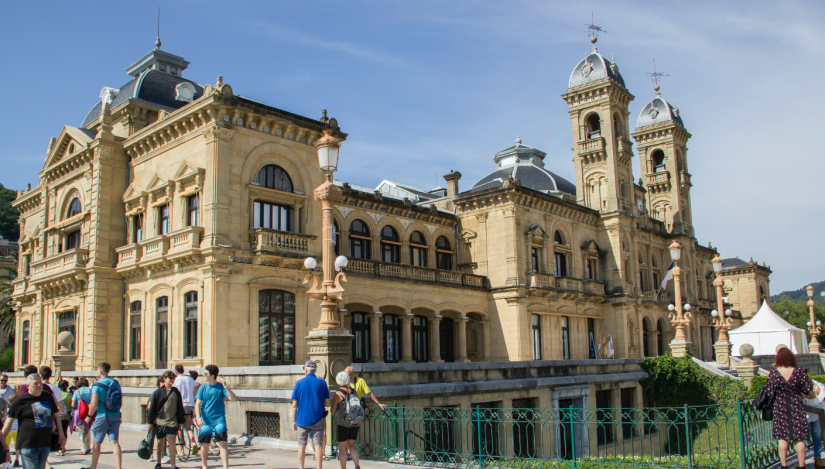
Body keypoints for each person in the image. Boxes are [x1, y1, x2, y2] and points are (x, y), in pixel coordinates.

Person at [766, 347, 819, 468]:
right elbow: (807, 389)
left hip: (780, 408)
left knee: (783, 438)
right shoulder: (798, 372)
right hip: (796, 406)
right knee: (798, 438)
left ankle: (784, 466)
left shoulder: (774, 373)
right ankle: (802, 465)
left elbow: (770, 392)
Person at [3, 373, 65, 469]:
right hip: (28, 444)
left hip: (44, 443)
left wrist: (61, 435)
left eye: (40, 383)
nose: (39, 386)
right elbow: (8, 422)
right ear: (28, 386)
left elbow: (56, 415)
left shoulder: (48, 396)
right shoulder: (20, 400)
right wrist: (2, 442)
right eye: (35, 383)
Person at [194, 364, 237, 469]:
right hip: (206, 420)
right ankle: (204, 466)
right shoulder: (202, 388)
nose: (203, 376)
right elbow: (197, 404)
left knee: (223, 443)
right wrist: (198, 417)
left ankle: (225, 467)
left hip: (219, 420)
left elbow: (234, 399)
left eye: (205, 374)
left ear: (212, 376)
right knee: (205, 444)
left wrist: (226, 386)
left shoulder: (221, 387)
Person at [82, 362, 122, 469]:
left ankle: (93, 467)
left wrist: (89, 416)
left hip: (102, 416)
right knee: (114, 442)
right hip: (115, 415)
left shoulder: (97, 385)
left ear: (100, 371)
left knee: (97, 444)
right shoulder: (115, 383)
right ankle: (119, 467)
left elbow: (94, 404)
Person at [292, 360, 330, 469]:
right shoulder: (322, 383)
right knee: (318, 446)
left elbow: (294, 405)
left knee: (301, 445)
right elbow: (327, 403)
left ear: (305, 370)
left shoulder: (299, 383)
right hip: (318, 418)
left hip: (302, 419)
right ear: (315, 370)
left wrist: (294, 421)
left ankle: (301, 467)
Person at [147, 371, 185, 469]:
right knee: (160, 441)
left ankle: (173, 464)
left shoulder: (176, 391)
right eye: (170, 378)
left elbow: (180, 407)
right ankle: (159, 462)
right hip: (160, 420)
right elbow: (152, 408)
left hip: (172, 421)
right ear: (164, 379)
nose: (172, 380)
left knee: (172, 440)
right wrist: (150, 422)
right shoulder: (158, 392)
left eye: (173, 378)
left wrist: (181, 421)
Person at [331, 371, 361, 469]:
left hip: (343, 423)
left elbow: (332, 411)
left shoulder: (338, 394)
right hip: (354, 422)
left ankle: (343, 468)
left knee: (342, 448)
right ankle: (357, 465)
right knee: (351, 445)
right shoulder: (353, 391)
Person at [173, 364, 199, 455]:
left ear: (176, 372)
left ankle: (182, 450)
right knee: (188, 427)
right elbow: (198, 385)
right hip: (191, 405)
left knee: (180, 428)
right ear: (183, 371)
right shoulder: (190, 379)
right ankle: (193, 443)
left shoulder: (176, 380)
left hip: (181, 406)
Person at [70, 378, 92, 455]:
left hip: (80, 413)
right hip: (89, 412)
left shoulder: (77, 391)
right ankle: (88, 447)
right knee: (87, 430)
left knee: (81, 431)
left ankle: (83, 449)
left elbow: (73, 404)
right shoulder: (90, 390)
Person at [56, 381, 72, 457]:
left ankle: (58, 446)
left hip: (57, 415)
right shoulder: (69, 394)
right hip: (66, 416)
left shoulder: (57, 393)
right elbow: (71, 405)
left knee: (58, 431)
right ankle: (62, 447)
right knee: (64, 431)